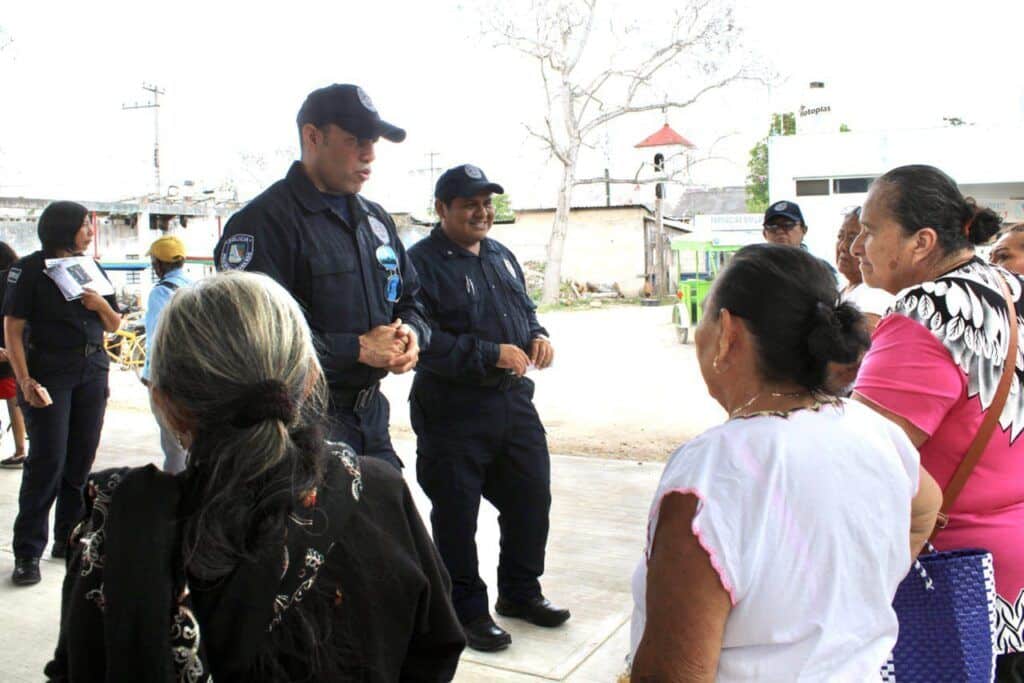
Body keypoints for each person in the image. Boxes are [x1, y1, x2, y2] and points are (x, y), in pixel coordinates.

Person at [45, 271, 465, 681]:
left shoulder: (118, 528)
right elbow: (437, 645)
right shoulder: (377, 490)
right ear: (310, 381)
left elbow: (79, 665)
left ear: (166, 404)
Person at [629, 243, 941, 681]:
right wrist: (852, 595)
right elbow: (926, 508)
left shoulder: (711, 471)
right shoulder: (872, 429)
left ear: (727, 332)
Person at [850, 164, 1024, 679]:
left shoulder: (928, 308)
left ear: (922, 241)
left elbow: (864, 456)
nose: (859, 245)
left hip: (957, 582)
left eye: (870, 229)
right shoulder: (1010, 288)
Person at [214, 83, 429, 470]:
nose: (370, 154)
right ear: (313, 137)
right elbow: (252, 342)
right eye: (356, 140)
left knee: (388, 522)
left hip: (370, 418)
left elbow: (412, 300)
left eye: (373, 141)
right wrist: (358, 349)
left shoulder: (375, 220)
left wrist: (411, 334)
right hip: (299, 426)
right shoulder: (263, 223)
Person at [407, 164, 568, 652]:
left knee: (530, 499)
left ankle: (520, 593)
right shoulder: (419, 264)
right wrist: (488, 353)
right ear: (442, 210)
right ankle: (467, 611)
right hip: (452, 410)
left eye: (487, 204)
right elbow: (421, 340)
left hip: (512, 404)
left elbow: (526, 311)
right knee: (457, 516)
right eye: (469, 205)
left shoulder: (501, 256)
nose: (482, 213)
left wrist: (537, 336)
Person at [4, 201, 121, 586]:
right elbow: (14, 327)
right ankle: (27, 552)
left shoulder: (92, 267)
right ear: (63, 228)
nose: (90, 231)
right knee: (47, 462)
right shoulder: (30, 270)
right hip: (49, 373)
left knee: (79, 462)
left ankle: (68, 538)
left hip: (92, 370)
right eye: (84, 225)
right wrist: (23, 380)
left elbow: (115, 324)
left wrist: (99, 303)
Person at [140, 235, 193, 474]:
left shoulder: (161, 292)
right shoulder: (196, 288)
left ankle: (175, 498)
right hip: (195, 375)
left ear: (158, 264)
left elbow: (156, 337)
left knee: (173, 445)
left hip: (167, 376)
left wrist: (150, 374)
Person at [836, 206, 893, 331]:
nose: (843, 246)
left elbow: (863, 346)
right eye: (840, 237)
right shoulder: (841, 289)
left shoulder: (875, 292)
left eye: (852, 238)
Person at [0, 241, 27, 468]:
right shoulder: (19, 278)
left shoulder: (3, 281)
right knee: (14, 402)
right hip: (14, 351)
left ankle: (20, 450)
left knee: (12, 401)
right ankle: (20, 450)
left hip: (4, 350)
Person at [763, 199, 837, 278]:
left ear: (804, 230)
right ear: (764, 234)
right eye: (772, 227)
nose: (780, 231)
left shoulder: (819, 270)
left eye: (788, 225)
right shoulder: (755, 269)